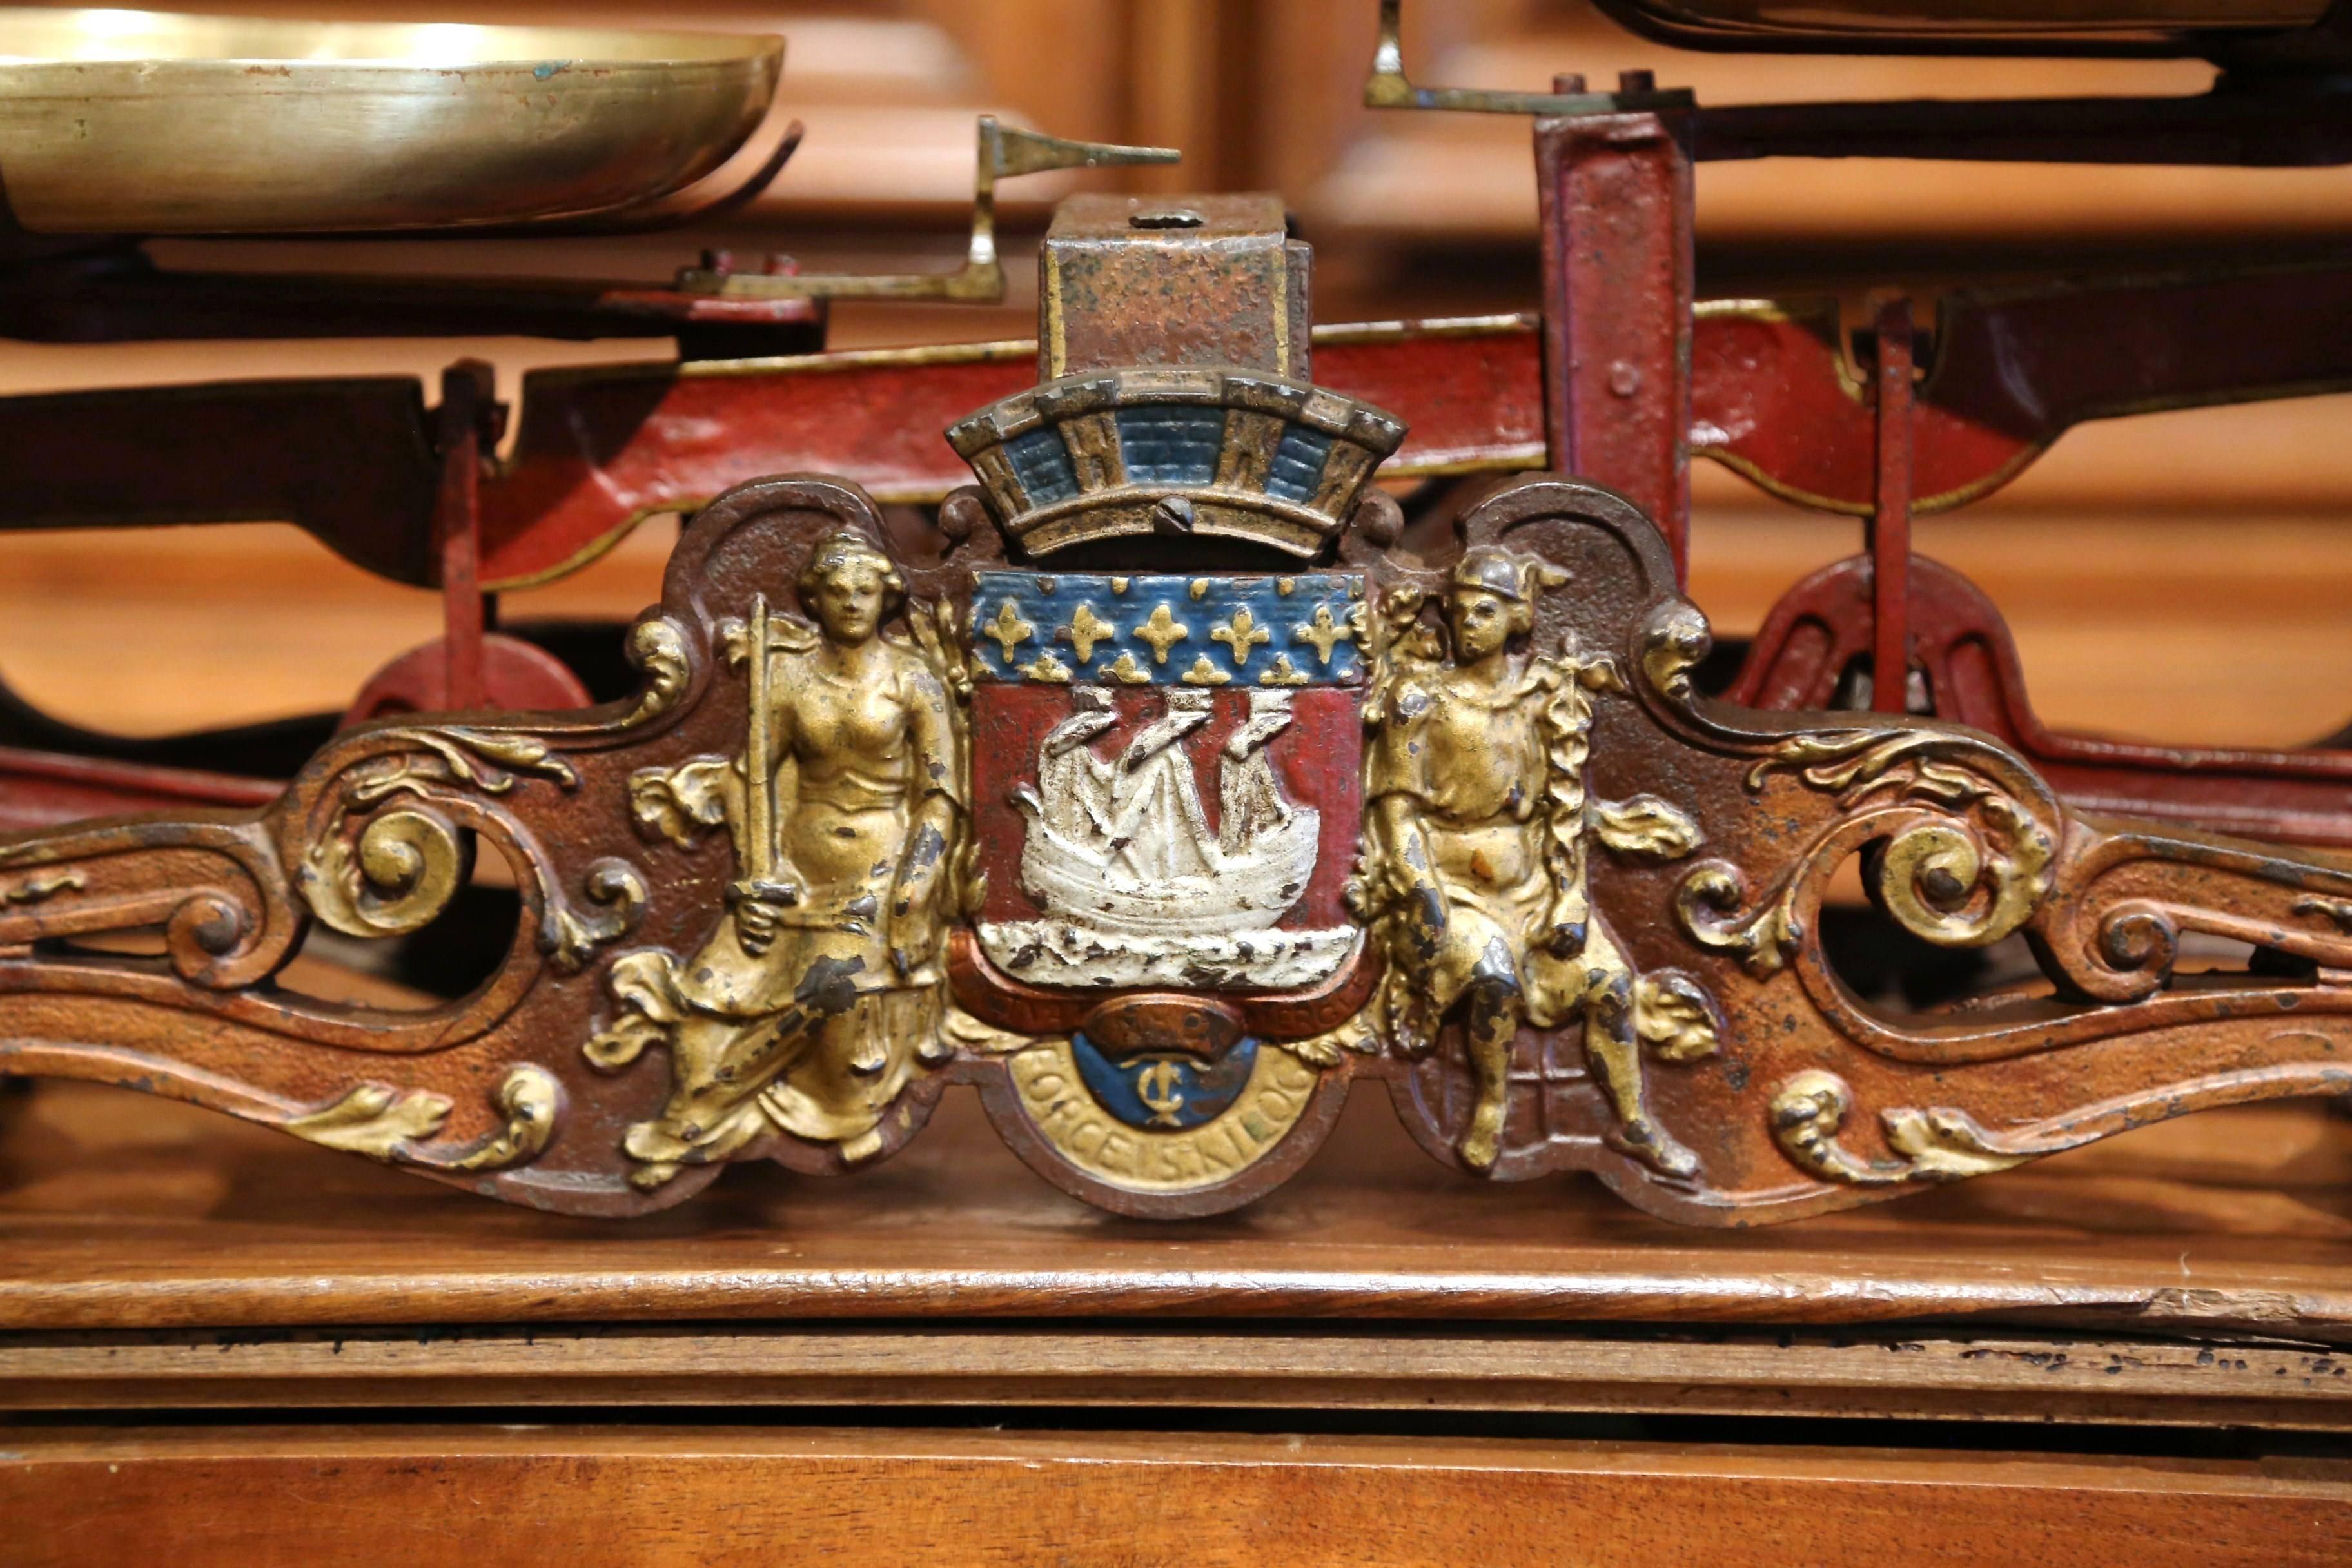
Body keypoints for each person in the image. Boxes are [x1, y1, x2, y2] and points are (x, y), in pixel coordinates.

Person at [589, 527, 964, 1182]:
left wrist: (913, 887)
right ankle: (701, 1099)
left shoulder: (912, 678)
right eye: (839, 591)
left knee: (827, 991)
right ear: (814, 600)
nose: (853, 602)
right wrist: (755, 875)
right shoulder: (788, 679)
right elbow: (750, 778)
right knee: (713, 990)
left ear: (886, 596)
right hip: (794, 872)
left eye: (867, 590)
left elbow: (939, 794)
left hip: (880, 875)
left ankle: (696, 1116)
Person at [1357, 544, 1705, 1177]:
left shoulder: (1546, 692)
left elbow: (1563, 808)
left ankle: (1633, 1121)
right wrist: (1425, 891)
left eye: (1485, 611)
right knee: (1494, 977)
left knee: (1610, 986)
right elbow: (1396, 813)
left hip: (1533, 884)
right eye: (1460, 611)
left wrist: (1569, 894)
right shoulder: (1420, 698)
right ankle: (1491, 1105)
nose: (1468, 623)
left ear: (1518, 619)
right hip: (1451, 884)